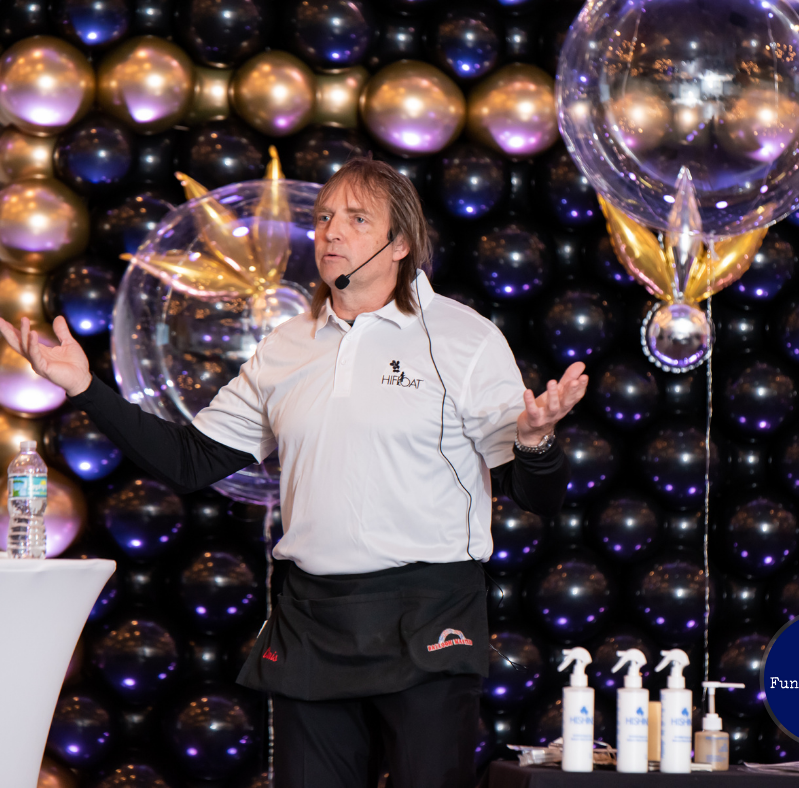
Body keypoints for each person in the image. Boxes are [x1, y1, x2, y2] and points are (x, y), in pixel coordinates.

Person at [0, 158, 588, 788]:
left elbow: (540, 497)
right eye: (324, 218)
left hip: (429, 614)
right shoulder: (288, 344)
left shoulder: (464, 338)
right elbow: (191, 461)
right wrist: (86, 388)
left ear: (401, 244)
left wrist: (535, 441)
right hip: (312, 620)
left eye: (356, 219)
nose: (331, 232)